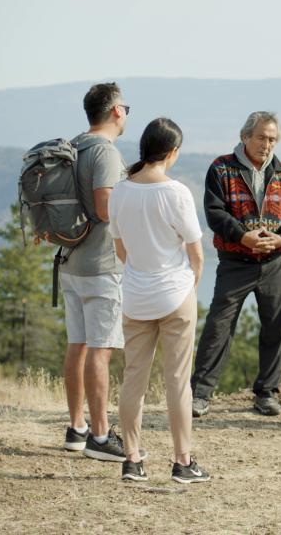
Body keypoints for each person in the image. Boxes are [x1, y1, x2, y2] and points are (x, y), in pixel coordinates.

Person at [108, 117, 210, 484]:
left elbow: (121, 250)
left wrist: (141, 271)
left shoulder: (120, 191)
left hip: (135, 295)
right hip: (175, 295)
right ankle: (182, 461)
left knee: (133, 379)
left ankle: (132, 460)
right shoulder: (176, 192)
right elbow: (196, 253)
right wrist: (190, 284)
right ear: (172, 152)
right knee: (177, 381)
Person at [190, 111, 281, 417]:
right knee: (219, 325)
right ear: (245, 137)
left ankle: (266, 393)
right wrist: (244, 237)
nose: (267, 145)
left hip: (276, 263)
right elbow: (215, 213)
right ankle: (200, 394)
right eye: (261, 137)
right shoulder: (221, 168)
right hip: (235, 262)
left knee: (274, 327)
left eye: (272, 139)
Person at [60, 82, 130, 461]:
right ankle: (101, 438)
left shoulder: (74, 145)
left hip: (70, 260)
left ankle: (77, 427)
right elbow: (105, 207)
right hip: (101, 265)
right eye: (125, 108)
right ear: (116, 111)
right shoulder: (104, 152)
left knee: (78, 345)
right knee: (100, 352)